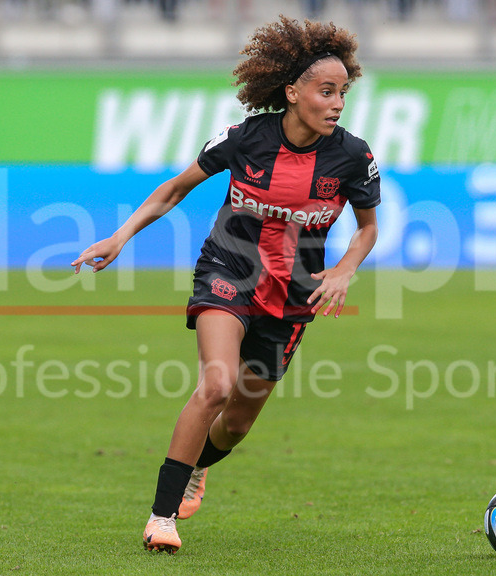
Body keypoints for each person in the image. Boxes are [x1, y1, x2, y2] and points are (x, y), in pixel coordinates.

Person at [71, 15, 380, 554]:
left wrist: (348, 266)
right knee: (216, 385)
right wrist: (119, 237)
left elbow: (369, 227)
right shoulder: (246, 139)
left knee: (236, 422)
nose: (336, 103)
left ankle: (198, 467)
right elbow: (175, 189)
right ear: (291, 91)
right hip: (227, 272)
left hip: (293, 294)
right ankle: (161, 518)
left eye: (343, 93)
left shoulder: (352, 156)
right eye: (325, 91)